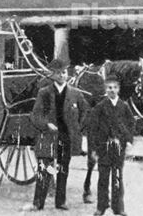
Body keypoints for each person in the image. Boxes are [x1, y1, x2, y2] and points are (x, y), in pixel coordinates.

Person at [28, 59, 87, 211]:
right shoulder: (44, 93)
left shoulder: (75, 94)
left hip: (65, 137)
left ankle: (60, 202)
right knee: (45, 169)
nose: (62, 75)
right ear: (53, 75)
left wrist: (77, 127)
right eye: (59, 73)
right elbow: (35, 115)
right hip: (47, 136)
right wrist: (46, 124)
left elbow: (85, 112)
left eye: (64, 72)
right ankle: (38, 202)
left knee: (62, 170)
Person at [86, 75, 135, 216]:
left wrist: (129, 140)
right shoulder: (100, 107)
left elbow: (131, 124)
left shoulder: (124, 106)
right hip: (104, 148)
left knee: (118, 177)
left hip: (118, 148)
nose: (112, 90)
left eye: (114, 87)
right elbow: (93, 129)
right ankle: (101, 206)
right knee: (103, 178)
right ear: (105, 90)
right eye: (109, 88)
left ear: (118, 89)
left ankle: (118, 207)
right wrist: (94, 149)